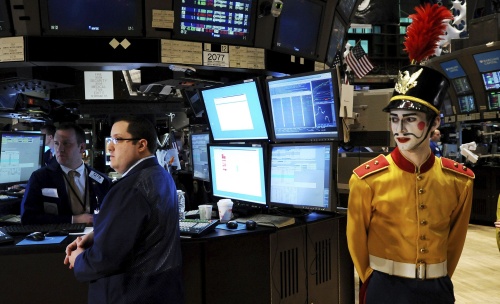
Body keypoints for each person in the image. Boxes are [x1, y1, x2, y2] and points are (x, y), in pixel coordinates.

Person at [346, 65, 475, 304]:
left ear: (434, 122)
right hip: (385, 288)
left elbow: (455, 241)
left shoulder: (459, 181)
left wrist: (439, 276)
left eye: (411, 119)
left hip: (437, 289)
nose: (400, 129)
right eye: (395, 119)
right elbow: (355, 238)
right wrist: (371, 279)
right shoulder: (367, 179)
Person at [64, 116, 184, 303]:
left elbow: (104, 259)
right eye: (111, 140)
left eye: (118, 140)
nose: (110, 147)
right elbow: (142, 229)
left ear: (141, 145)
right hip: (158, 291)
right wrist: (97, 235)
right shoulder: (160, 174)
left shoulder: (130, 188)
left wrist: (78, 260)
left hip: (130, 294)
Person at [21, 123, 111, 225]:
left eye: (66, 143)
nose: (60, 149)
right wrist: (73, 220)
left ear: (81, 147)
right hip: (57, 237)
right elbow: (28, 218)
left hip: (93, 237)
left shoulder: (102, 180)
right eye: (56, 143)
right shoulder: (40, 178)